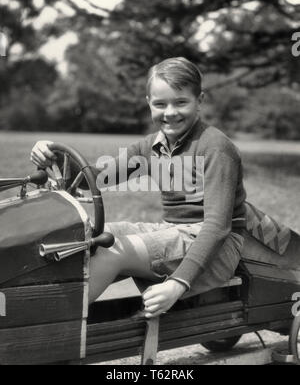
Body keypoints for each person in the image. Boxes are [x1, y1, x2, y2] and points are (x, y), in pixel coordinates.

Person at [30, 57, 246, 318]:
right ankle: (38, 305)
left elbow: (217, 227)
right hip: (174, 230)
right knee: (90, 236)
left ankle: (52, 325)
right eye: (160, 104)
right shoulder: (151, 147)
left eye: (181, 102)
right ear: (148, 103)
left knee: (112, 250)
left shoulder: (215, 147)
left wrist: (178, 283)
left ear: (199, 101)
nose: (170, 112)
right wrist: (52, 153)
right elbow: (98, 179)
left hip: (218, 247)